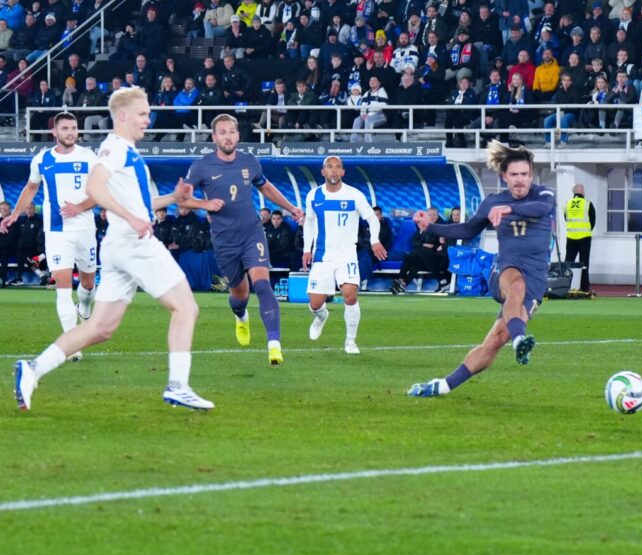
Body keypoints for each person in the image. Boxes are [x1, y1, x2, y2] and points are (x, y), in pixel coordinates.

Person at [15, 86, 213, 411]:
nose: (148, 119)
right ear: (122, 116)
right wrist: (132, 218)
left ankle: (32, 370)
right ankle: (178, 385)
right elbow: (95, 188)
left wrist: (174, 199)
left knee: (100, 328)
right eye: (142, 113)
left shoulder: (124, 151)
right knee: (186, 308)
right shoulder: (116, 148)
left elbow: (140, 203)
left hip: (118, 244)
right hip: (133, 242)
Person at [406, 140, 555, 397]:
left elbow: (539, 209)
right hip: (506, 270)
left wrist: (509, 209)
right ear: (504, 177)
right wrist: (430, 227)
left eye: (524, 174)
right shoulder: (492, 202)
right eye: (514, 175)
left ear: (531, 175)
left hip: (536, 281)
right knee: (515, 284)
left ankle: (442, 386)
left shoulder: (544, 195)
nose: (520, 180)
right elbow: (466, 229)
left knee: (494, 342)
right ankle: (520, 339)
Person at [179, 114, 304, 366]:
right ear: (214, 138)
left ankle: (274, 345)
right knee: (240, 294)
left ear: (238, 135)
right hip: (224, 240)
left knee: (263, 285)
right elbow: (181, 198)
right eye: (222, 132)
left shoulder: (250, 161)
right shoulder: (201, 166)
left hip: (251, 232)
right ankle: (240, 315)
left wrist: (291, 207)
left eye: (231, 132)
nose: (227, 136)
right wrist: (205, 204)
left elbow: (265, 187)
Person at [1, 112, 99, 360]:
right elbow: (31, 188)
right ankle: (72, 345)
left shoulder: (89, 157)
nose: (70, 132)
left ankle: (85, 307)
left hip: (85, 228)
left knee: (88, 284)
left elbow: (102, 191)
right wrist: (14, 215)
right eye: (65, 128)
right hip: (56, 231)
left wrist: (80, 207)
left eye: (74, 128)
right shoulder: (42, 159)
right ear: (54, 132)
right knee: (63, 286)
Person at [300, 156, 387, 354]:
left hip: (347, 255)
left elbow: (372, 219)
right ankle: (321, 316)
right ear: (323, 172)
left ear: (343, 172)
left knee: (349, 295)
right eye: (329, 167)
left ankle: (350, 342)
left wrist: (374, 240)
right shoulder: (314, 196)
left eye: (338, 167)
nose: (334, 171)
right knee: (315, 304)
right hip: (322, 257)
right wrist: (307, 249)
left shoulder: (354, 195)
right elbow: (310, 223)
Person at [563, 183, 595, 293]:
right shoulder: (587, 204)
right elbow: (592, 221)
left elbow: (566, 218)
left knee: (568, 263)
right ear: (581, 191)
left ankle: (564, 286)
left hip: (571, 237)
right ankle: (584, 288)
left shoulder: (567, 204)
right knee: (584, 264)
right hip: (584, 238)